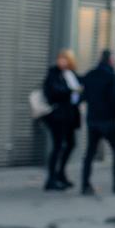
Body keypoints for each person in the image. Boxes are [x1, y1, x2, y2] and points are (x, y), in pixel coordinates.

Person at [80, 50, 115, 195]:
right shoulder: (112, 76)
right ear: (110, 60)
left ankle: (85, 184)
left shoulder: (90, 75)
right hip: (109, 122)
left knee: (90, 153)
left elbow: (84, 96)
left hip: (93, 121)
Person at [41, 49, 81, 191]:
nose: (62, 61)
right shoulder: (53, 73)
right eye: (60, 58)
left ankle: (61, 173)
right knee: (58, 147)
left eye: (65, 59)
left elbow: (80, 92)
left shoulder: (72, 75)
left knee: (71, 144)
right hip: (57, 116)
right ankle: (51, 179)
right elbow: (51, 92)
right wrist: (70, 91)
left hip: (70, 116)